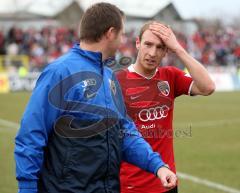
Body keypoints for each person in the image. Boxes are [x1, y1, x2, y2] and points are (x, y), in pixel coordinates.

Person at [14, 4, 177, 193]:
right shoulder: (60, 72)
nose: (123, 40)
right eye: (122, 34)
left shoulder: (109, 77)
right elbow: (31, 135)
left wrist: (157, 166)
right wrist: (27, 188)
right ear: (110, 33)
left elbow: (125, 131)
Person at [116, 21, 215, 193]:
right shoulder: (117, 81)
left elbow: (208, 87)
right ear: (138, 43)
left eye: (160, 47)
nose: (152, 53)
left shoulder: (170, 76)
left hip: (167, 182)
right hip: (131, 186)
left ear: (166, 51)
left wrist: (178, 49)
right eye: (148, 44)